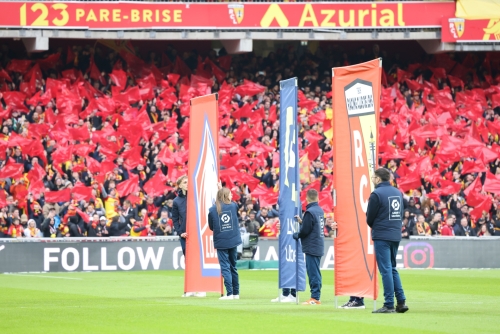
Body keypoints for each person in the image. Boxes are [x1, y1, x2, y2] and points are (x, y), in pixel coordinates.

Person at [367, 168, 408, 313]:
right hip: (395, 234)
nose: (372, 180)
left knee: (385, 270)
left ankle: (389, 304)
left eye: (373, 177)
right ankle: (401, 301)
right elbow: (401, 213)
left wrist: (376, 226)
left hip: (382, 235)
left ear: (378, 179)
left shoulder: (376, 194)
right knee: (392, 267)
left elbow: (369, 218)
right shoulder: (398, 193)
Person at [208, 187, 242, 300]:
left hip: (221, 241)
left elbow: (211, 227)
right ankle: (236, 293)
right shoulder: (233, 206)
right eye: (230, 194)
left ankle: (230, 293)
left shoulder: (212, 209)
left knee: (225, 267)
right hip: (233, 240)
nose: (232, 196)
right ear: (226, 196)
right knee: (233, 266)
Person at [292, 189, 325, 305]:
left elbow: (306, 231)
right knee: (315, 271)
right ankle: (316, 296)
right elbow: (313, 226)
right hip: (318, 244)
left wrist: (297, 235)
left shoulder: (310, 212)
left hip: (312, 246)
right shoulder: (319, 210)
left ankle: (315, 297)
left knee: (313, 272)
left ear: (307, 198)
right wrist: (302, 222)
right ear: (317, 198)